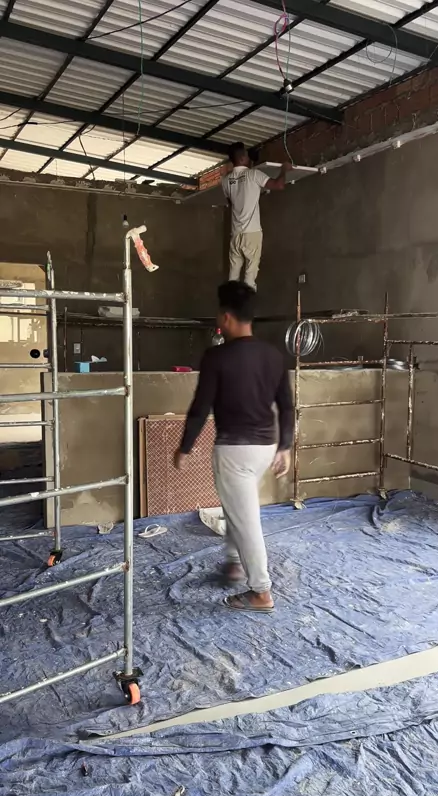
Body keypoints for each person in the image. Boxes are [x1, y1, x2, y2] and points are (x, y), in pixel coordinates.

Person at [174, 281, 294, 613]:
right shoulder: (273, 356)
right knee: (237, 507)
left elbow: (201, 407)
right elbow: (287, 407)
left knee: (246, 520)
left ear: (226, 317)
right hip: (265, 447)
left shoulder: (217, 357)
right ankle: (234, 562)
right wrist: (285, 446)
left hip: (234, 451)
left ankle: (261, 591)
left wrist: (185, 447)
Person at [222, 142, 289, 290]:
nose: (249, 157)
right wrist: (284, 170)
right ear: (242, 158)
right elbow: (278, 185)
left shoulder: (226, 181)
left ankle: (231, 302)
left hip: (236, 234)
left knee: (233, 277)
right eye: (246, 155)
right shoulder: (253, 174)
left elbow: (232, 202)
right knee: (250, 276)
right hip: (251, 233)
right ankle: (247, 301)